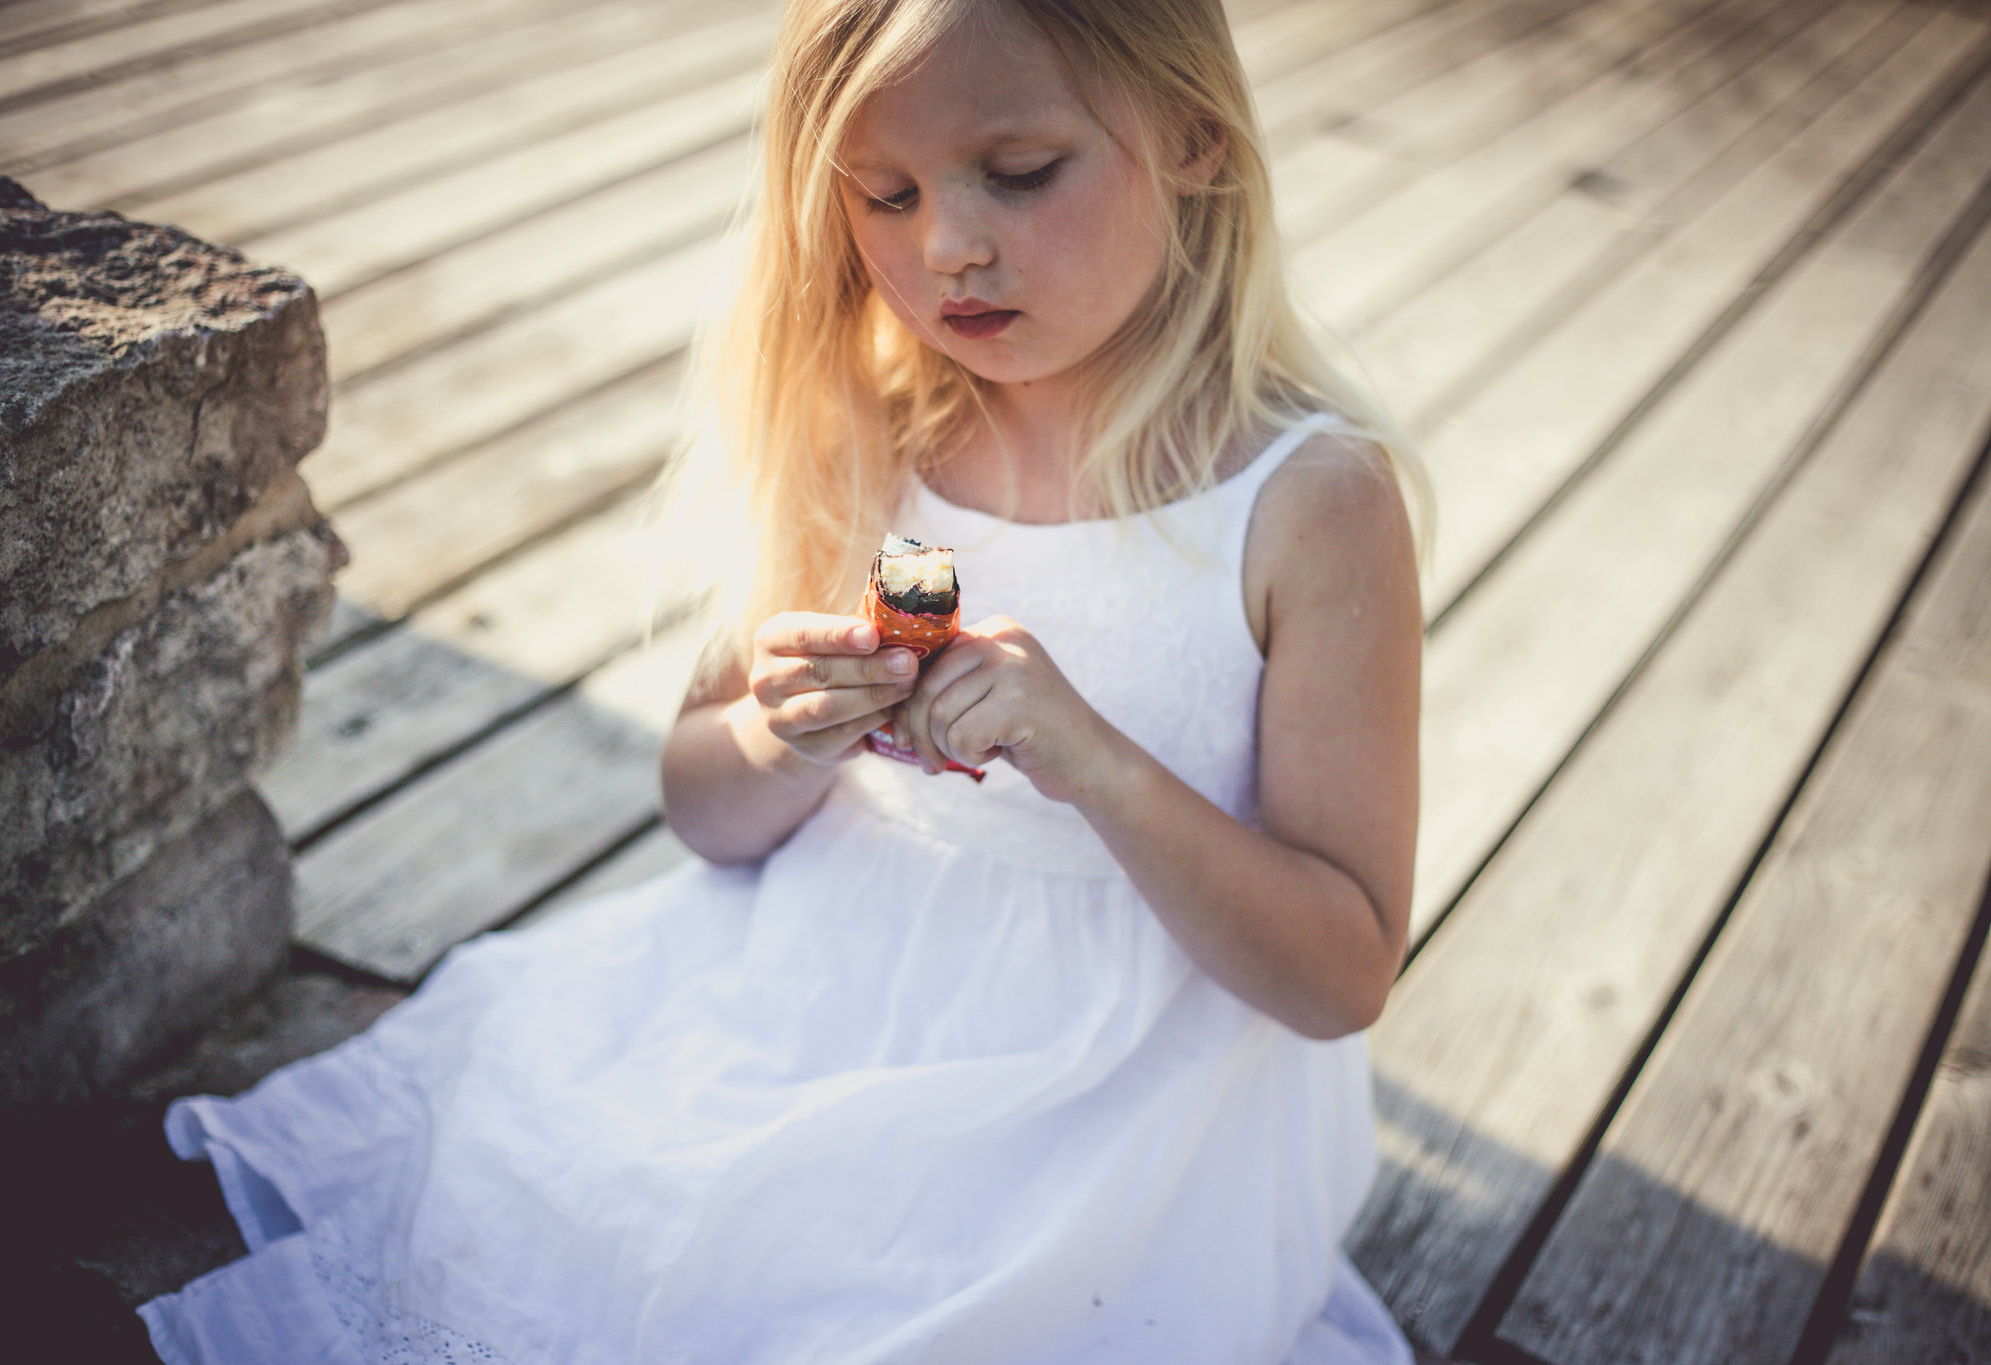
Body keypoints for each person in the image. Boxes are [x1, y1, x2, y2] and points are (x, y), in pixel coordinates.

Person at [139, 0, 1426, 1360]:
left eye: (1022, 171)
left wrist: (1092, 759)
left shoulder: (1307, 502)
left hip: (1131, 1094)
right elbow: (703, 807)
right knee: (615, 1234)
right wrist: (781, 734)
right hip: (826, 989)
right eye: (886, 192)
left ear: (1198, 140)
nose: (949, 247)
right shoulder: (873, 432)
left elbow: (1341, 968)